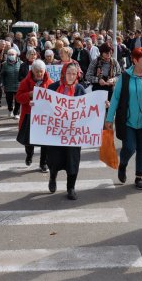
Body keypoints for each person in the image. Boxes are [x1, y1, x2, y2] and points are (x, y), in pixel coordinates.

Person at [105, 47, 142, 190]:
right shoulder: (124, 77)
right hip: (127, 121)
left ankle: (139, 177)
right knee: (129, 148)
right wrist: (109, 119)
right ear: (134, 60)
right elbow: (116, 98)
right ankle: (123, 165)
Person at [46, 63, 87, 200]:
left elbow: (87, 108)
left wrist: (100, 105)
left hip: (73, 133)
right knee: (54, 159)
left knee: (73, 160)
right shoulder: (53, 88)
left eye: (74, 74)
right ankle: (53, 177)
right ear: (63, 73)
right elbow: (44, 107)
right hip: (56, 132)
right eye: (68, 73)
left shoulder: (80, 89)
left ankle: (71, 187)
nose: (71, 76)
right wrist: (36, 104)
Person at [16, 59, 54, 172]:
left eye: (41, 71)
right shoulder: (25, 82)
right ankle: (29, 155)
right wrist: (29, 95)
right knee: (28, 141)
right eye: (37, 71)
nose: (39, 74)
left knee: (45, 142)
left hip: (45, 117)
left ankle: (43, 163)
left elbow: (55, 98)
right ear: (32, 71)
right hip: (29, 116)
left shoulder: (50, 82)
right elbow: (18, 98)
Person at [0, 48, 22, 119]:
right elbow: (2, 75)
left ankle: (16, 113)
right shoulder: (4, 64)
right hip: (8, 85)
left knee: (18, 100)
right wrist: (2, 84)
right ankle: (10, 109)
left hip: (18, 85)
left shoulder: (21, 63)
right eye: (9, 54)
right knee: (9, 100)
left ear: (16, 55)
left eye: (12, 54)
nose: (11, 56)